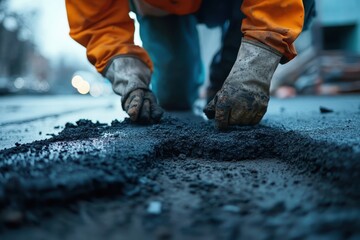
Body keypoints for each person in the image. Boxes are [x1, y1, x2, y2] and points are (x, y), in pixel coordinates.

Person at [66, 0, 315, 129]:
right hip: (163, 6)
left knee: (237, 93)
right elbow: (98, 20)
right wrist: (129, 78)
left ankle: (223, 76)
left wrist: (253, 72)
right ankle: (218, 85)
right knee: (173, 95)